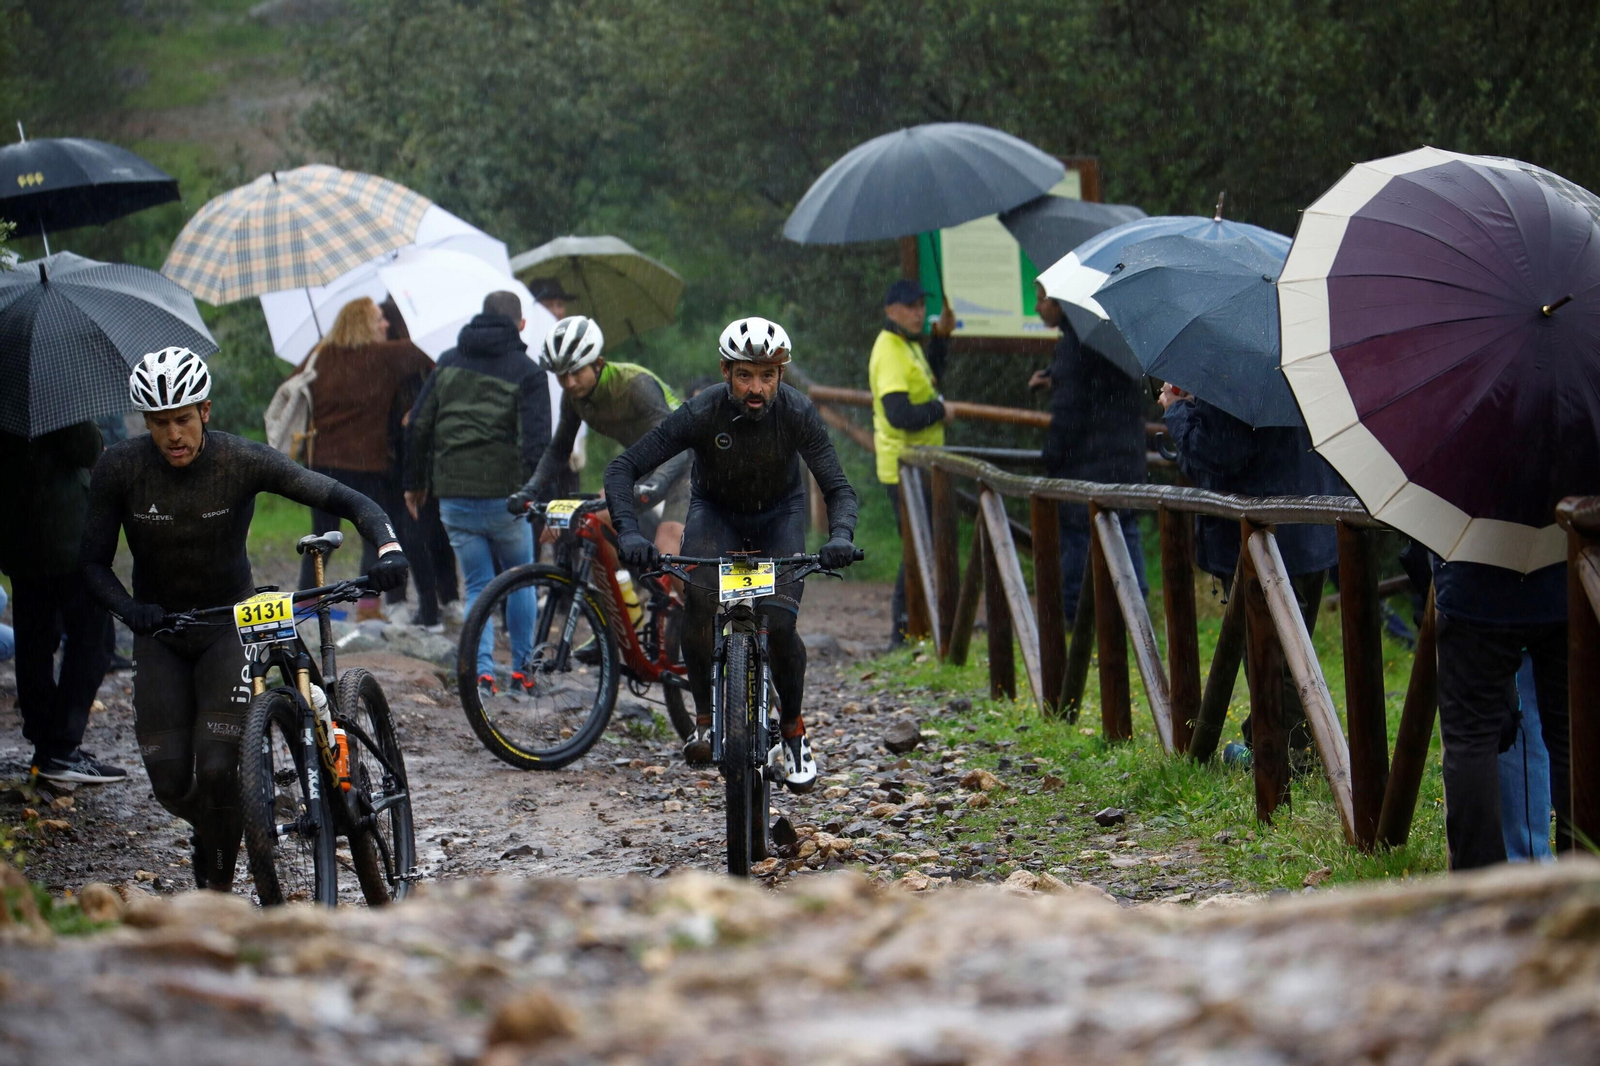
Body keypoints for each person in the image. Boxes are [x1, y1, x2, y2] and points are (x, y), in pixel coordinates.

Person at [81, 347, 409, 891]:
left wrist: (389, 546)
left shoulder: (240, 460)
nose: (174, 435)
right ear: (146, 424)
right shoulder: (121, 468)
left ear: (205, 411)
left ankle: (219, 886)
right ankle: (220, 829)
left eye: (183, 418)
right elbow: (91, 564)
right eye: (160, 423)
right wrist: (133, 612)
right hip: (160, 630)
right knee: (170, 784)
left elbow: (345, 497)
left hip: (227, 626)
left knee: (216, 769)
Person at [605, 317, 858, 790]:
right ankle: (703, 719)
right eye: (745, 375)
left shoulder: (799, 413)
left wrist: (839, 536)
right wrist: (629, 535)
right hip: (715, 513)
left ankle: (794, 730)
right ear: (726, 371)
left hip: (779, 516)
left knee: (780, 624)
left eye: (767, 375)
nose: (756, 387)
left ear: (781, 374)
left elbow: (839, 489)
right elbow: (622, 468)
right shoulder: (702, 411)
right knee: (697, 607)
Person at [1160, 384, 1340, 766]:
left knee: (1273, 657)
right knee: (1293, 651)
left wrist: (1177, 411)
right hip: (1308, 528)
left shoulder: (1231, 377)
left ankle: (1289, 758)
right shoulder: (1288, 359)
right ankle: (1287, 746)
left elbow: (1217, 454)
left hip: (1267, 538)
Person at [404, 292, 550, 695]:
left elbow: (417, 425)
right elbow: (540, 443)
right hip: (507, 498)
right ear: (521, 325)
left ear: (480, 318)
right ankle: (523, 671)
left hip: (454, 495)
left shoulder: (448, 362)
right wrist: (540, 499)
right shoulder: (528, 371)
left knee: (479, 584)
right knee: (519, 581)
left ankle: (482, 673)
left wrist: (414, 484)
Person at [292, 296, 439, 626]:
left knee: (321, 538)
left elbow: (295, 385)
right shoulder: (383, 356)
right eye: (378, 320)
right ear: (362, 324)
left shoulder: (319, 354)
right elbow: (425, 349)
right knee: (373, 532)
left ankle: (304, 606)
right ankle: (369, 608)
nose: (385, 323)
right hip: (367, 465)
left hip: (322, 464)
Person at [507, 315, 690, 560]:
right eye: (561, 375)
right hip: (648, 465)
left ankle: (679, 593)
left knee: (668, 546)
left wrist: (656, 483)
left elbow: (677, 445)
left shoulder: (634, 384)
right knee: (595, 522)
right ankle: (632, 593)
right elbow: (559, 449)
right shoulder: (573, 398)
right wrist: (529, 490)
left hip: (689, 460)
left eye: (575, 372)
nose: (569, 383)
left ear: (598, 363)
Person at [0, 420, 122, 783]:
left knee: (34, 641)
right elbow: (85, 448)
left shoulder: (9, 387)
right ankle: (62, 748)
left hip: (18, 536)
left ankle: (45, 746)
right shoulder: (51, 392)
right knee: (95, 640)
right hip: (64, 538)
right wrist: (91, 425)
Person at [1431, 554, 1570, 870]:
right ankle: (1581, 887)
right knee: (1575, 737)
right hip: (1564, 565)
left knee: (1472, 738)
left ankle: (1500, 882)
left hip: (1473, 572)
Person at [1029, 283, 1148, 619]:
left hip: (1087, 464)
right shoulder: (1111, 337)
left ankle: (1076, 617)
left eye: (1042, 299)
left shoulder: (1074, 345)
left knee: (1080, 537)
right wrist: (1055, 375)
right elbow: (1100, 381)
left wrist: (1051, 457)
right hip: (1125, 457)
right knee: (1124, 531)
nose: (1038, 307)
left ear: (1062, 304)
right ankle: (1136, 612)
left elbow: (1070, 413)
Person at [869, 278, 954, 648]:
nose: (918, 312)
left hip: (920, 466)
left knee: (924, 545)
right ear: (891, 311)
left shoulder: (907, 344)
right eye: (911, 306)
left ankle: (917, 626)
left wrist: (942, 338)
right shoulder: (889, 350)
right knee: (916, 547)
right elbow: (899, 413)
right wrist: (940, 411)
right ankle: (902, 630)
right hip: (903, 467)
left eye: (921, 305)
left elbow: (929, 378)